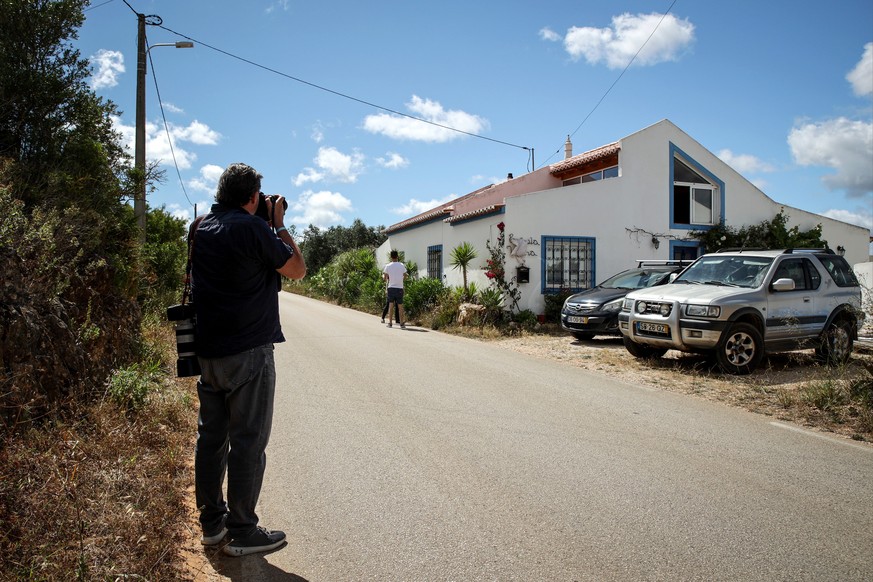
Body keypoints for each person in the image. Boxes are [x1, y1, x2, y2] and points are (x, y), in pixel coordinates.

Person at [190, 162, 306, 557]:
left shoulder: (200, 227)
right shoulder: (255, 228)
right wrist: (277, 223)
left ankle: (211, 525)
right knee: (248, 443)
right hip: (249, 353)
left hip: (208, 352)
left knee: (211, 439)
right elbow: (297, 270)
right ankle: (243, 531)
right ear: (253, 197)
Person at [382, 249, 407, 328]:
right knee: (400, 306)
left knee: (391, 305)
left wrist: (385, 277)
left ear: (391, 257)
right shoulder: (401, 265)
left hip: (391, 287)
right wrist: (401, 280)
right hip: (399, 287)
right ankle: (402, 323)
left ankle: (390, 323)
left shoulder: (388, 266)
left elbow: (385, 278)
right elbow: (406, 275)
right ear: (397, 256)